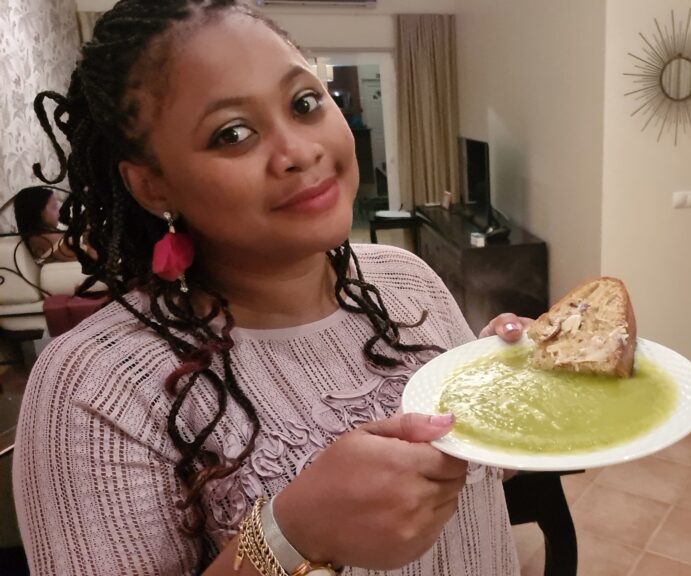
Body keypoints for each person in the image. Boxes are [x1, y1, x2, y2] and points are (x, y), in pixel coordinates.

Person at [13, 1, 530, 574]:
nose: (300, 151)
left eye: (305, 103)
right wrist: (295, 534)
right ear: (153, 183)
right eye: (233, 133)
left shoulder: (409, 282)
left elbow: (480, 476)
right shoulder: (95, 389)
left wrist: (509, 392)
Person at [12, 185, 77, 263]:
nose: (59, 212)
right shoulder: (44, 238)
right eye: (54, 207)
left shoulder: (40, 234)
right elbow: (79, 258)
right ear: (37, 213)